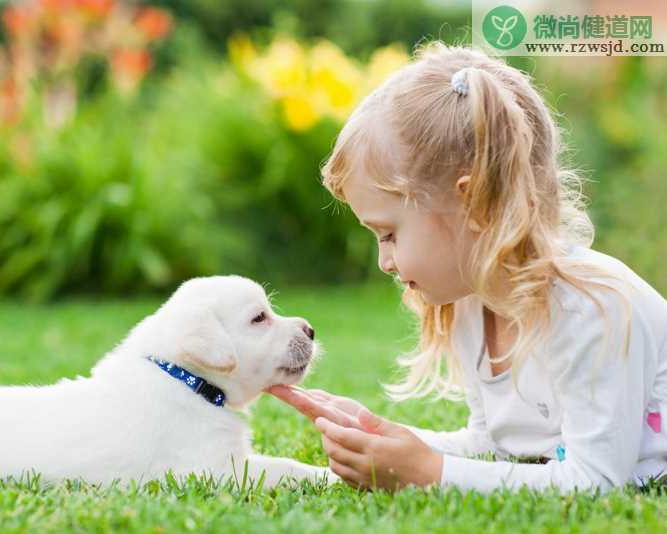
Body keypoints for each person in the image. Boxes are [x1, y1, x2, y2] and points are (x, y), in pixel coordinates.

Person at [268, 42, 667, 494]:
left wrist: (428, 473)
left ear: (472, 202)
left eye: (389, 234)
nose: (384, 261)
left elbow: (594, 481)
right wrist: (379, 436)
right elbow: (492, 446)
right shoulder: (472, 304)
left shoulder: (592, 310)